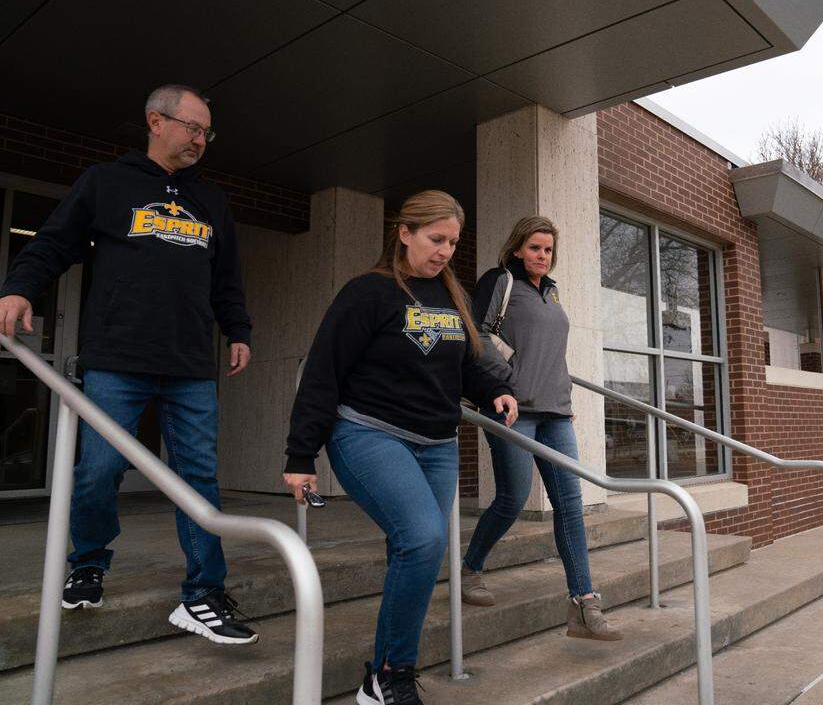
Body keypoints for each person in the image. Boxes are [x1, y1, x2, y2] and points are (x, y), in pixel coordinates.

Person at [0, 84, 257, 643]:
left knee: (198, 478)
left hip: (190, 365)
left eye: (207, 132)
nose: (200, 140)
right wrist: (19, 288)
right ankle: (88, 561)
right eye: (192, 127)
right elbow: (52, 243)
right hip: (117, 358)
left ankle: (203, 592)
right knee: (98, 470)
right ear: (155, 121)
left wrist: (237, 330)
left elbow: (227, 278)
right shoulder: (106, 183)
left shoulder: (211, 200)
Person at [283, 190, 518, 705]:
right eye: (436, 239)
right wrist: (301, 455)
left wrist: (495, 390)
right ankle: (390, 673)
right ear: (404, 233)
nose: (445, 251)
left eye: (453, 242)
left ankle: (386, 675)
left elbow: (467, 363)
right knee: (423, 538)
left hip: (436, 443)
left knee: (415, 548)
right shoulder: (368, 292)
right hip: (368, 432)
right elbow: (323, 371)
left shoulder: (451, 297)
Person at [460, 216, 622, 642]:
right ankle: (471, 568)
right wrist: (500, 383)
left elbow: (552, 354)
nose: (542, 256)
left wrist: (563, 398)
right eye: (534, 248)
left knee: (570, 504)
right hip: (512, 409)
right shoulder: (500, 281)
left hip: (554, 411)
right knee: (512, 499)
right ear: (517, 249)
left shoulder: (551, 293)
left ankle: (584, 605)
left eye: (548, 250)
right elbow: (476, 335)